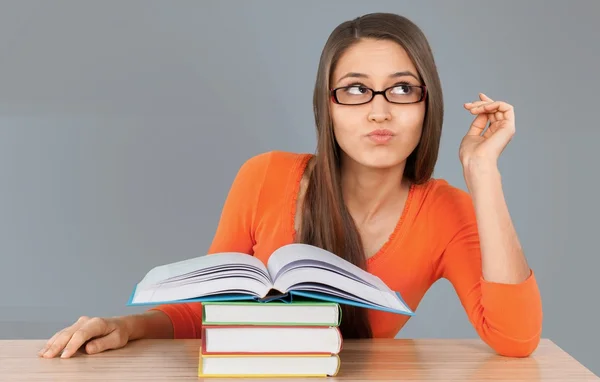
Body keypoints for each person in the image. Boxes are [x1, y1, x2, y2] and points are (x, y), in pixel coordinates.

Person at [38, 12, 542, 359]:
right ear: (327, 105)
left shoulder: (445, 211)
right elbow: (207, 310)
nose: (380, 110)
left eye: (404, 88)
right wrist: (127, 327)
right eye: (355, 89)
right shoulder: (265, 176)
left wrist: (484, 174)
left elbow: (515, 339)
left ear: (428, 104)